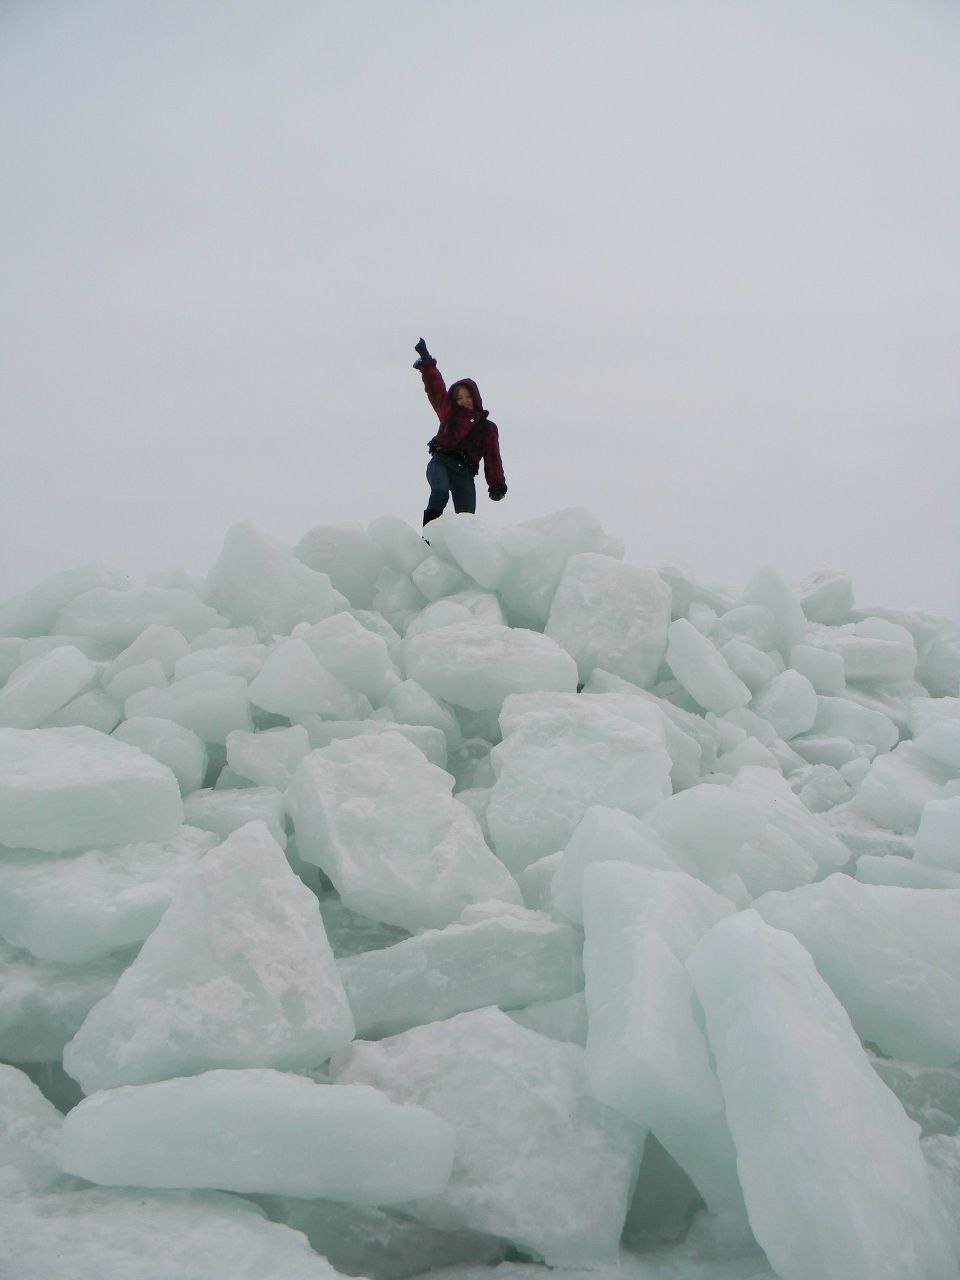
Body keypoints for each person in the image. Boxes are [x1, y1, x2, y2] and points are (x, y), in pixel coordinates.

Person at [412, 337, 507, 527]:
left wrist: (496, 484)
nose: (464, 401)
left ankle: (461, 553)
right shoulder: (449, 414)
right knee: (440, 492)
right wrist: (426, 363)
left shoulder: (487, 428)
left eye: (468, 396)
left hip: (465, 474)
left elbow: (492, 458)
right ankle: (429, 538)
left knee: (467, 520)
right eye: (459, 398)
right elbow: (436, 390)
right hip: (441, 463)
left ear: (476, 397)